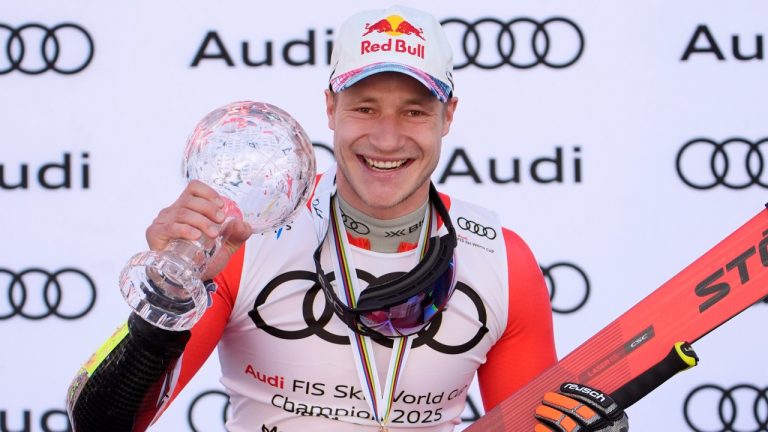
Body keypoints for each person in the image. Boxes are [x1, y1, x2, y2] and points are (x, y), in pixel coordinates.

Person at [65, 5, 629, 432]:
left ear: (448, 116)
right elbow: (100, 422)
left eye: (414, 111)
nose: (387, 138)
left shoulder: (502, 261)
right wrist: (172, 293)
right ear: (330, 107)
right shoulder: (248, 236)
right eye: (365, 108)